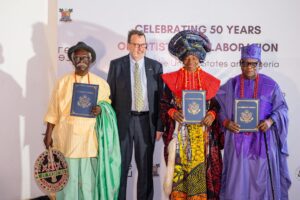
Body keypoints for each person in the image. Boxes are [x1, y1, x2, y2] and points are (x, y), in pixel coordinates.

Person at [43, 42, 121, 200]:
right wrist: (48, 134)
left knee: (88, 183)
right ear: (72, 60)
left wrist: (101, 109)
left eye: (84, 58)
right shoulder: (62, 82)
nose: (81, 61)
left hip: (89, 140)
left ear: (91, 60)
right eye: (77, 58)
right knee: (68, 181)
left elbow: (107, 108)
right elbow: (53, 110)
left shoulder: (101, 84)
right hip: (67, 139)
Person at [216, 44, 291, 200]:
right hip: (238, 144)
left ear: (260, 64)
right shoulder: (232, 85)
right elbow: (217, 107)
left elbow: (283, 110)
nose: (249, 67)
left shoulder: (271, 85)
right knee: (237, 187)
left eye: (253, 63)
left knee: (262, 184)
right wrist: (226, 123)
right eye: (245, 63)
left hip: (263, 142)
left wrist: (271, 121)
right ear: (240, 63)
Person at [160, 30, 223, 200]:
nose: (190, 61)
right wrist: (173, 112)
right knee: (179, 174)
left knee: (201, 173)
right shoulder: (172, 79)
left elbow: (216, 106)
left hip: (203, 137)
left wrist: (211, 114)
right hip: (180, 134)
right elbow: (164, 104)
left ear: (200, 58)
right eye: (187, 57)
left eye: (194, 57)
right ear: (181, 58)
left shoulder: (209, 80)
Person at [107, 29, 163, 200]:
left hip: (146, 122)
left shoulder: (156, 66)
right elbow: (109, 97)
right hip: (123, 122)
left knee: (146, 168)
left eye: (143, 45)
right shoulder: (116, 65)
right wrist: (110, 125)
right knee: (121, 167)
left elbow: (161, 99)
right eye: (136, 44)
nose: (140, 48)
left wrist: (160, 126)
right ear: (129, 45)